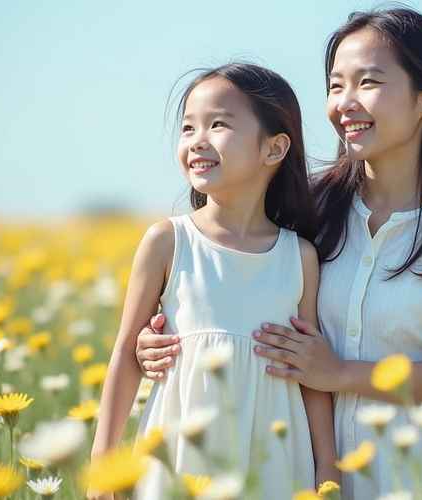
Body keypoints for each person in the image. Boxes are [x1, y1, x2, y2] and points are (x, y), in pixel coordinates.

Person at [136, 8, 422, 498]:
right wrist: (162, 340)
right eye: (336, 85)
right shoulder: (309, 211)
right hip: (303, 471)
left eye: (368, 82)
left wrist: (340, 373)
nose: (345, 103)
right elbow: (231, 285)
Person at [89, 63, 339, 499]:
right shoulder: (168, 241)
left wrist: (327, 471)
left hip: (275, 462)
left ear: (274, 148)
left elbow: (310, 374)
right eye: (187, 128)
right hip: (181, 457)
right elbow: (127, 355)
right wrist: (103, 466)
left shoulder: (299, 257)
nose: (196, 140)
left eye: (218, 124)